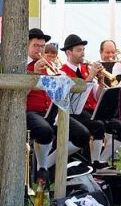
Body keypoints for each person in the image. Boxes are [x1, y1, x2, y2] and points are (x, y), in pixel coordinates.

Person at [26, 28, 80, 169]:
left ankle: (46, 166)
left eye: (42, 46)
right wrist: (35, 74)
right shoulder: (22, 66)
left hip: (51, 111)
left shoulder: (48, 65)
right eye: (36, 46)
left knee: (82, 134)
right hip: (30, 111)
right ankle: (41, 169)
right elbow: (20, 96)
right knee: (45, 131)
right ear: (26, 46)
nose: (40, 49)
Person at [61, 33, 117, 168]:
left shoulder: (85, 69)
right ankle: (95, 162)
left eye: (83, 50)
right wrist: (91, 76)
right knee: (98, 125)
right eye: (79, 50)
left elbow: (97, 96)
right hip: (75, 112)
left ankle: (102, 160)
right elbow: (77, 96)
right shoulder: (62, 72)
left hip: (91, 110)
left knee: (117, 126)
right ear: (69, 52)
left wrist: (102, 82)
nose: (82, 53)